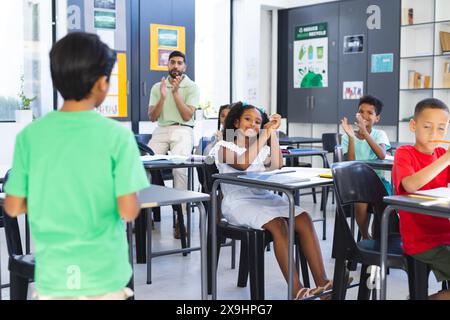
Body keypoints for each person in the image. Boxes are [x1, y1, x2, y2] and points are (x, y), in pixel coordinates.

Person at [3, 32, 149, 300]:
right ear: (102, 83)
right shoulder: (117, 136)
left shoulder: (30, 136)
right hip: (104, 276)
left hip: (53, 278)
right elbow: (128, 210)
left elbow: (12, 206)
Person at [209, 101, 332, 299]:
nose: (253, 125)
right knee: (279, 224)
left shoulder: (260, 148)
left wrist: (272, 132)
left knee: (304, 218)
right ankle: (297, 290)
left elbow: (277, 164)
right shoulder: (223, 146)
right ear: (235, 122)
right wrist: (264, 135)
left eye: (258, 122)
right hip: (238, 202)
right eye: (248, 119)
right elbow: (242, 163)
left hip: (263, 197)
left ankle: (324, 284)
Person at [393, 98, 450, 300]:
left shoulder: (442, 153)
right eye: (427, 127)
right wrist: (445, 160)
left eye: (441, 129)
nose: (434, 134)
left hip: (446, 236)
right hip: (422, 240)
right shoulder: (404, 153)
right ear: (413, 125)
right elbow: (410, 185)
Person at [147, 50, 200, 238]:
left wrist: (176, 93)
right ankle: (145, 216)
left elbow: (187, 115)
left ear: (184, 67)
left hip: (183, 129)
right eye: (172, 62)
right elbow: (152, 117)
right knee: (143, 166)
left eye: (179, 63)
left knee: (180, 169)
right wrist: (163, 97)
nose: (175, 66)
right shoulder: (157, 87)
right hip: (161, 129)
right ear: (167, 65)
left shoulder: (192, 87)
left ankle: (180, 219)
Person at [340, 95, 391, 239]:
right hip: (357, 183)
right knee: (360, 200)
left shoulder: (380, 134)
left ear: (377, 118)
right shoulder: (346, 136)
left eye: (370, 113)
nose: (365, 115)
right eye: (361, 112)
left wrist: (365, 133)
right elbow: (350, 161)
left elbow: (381, 155)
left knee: (383, 203)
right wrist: (351, 137)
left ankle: (377, 237)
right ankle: (365, 236)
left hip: (378, 182)